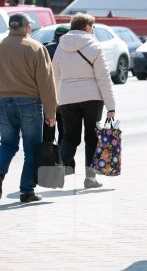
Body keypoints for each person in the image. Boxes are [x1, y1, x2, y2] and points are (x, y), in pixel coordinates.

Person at [0, 13, 58, 203]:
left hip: (2, 102)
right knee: (32, 148)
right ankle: (27, 191)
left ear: (10, 27)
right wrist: (51, 112)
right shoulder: (36, 48)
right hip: (29, 102)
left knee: (7, 143)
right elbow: (46, 83)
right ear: (25, 27)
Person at [52, 13, 116, 189]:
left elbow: (54, 74)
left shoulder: (61, 45)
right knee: (92, 138)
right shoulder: (94, 45)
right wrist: (111, 106)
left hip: (66, 98)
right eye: (92, 27)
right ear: (87, 27)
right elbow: (104, 78)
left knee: (70, 136)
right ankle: (90, 178)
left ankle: (60, 169)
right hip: (92, 98)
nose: (93, 30)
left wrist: (56, 99)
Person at [45, 24, 70, 145]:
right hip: (65, 95)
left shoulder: (45, 49)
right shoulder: (70, 50)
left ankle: (48, 159)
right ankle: (62, 159)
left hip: (47, 95)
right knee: (64, 133)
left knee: (48, 132)